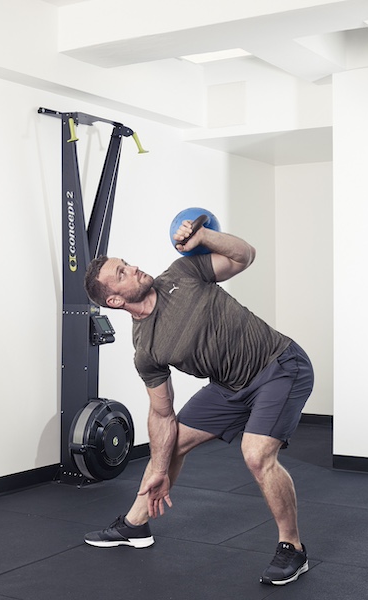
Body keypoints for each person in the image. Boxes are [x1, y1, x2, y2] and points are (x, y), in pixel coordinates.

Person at [82, 217, 314, 586]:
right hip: (229, 387)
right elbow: (162, 414)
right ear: (114, 299)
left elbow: (245, 255)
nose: (135, 268)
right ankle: (135, 524)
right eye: (123, 272)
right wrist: (159, 467)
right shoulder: (146, 349)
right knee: (170, 445)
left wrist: (204, 236)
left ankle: (293, 548)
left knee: (256, 455)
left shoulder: (182, 272)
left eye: (127, 263)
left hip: (279, 365)